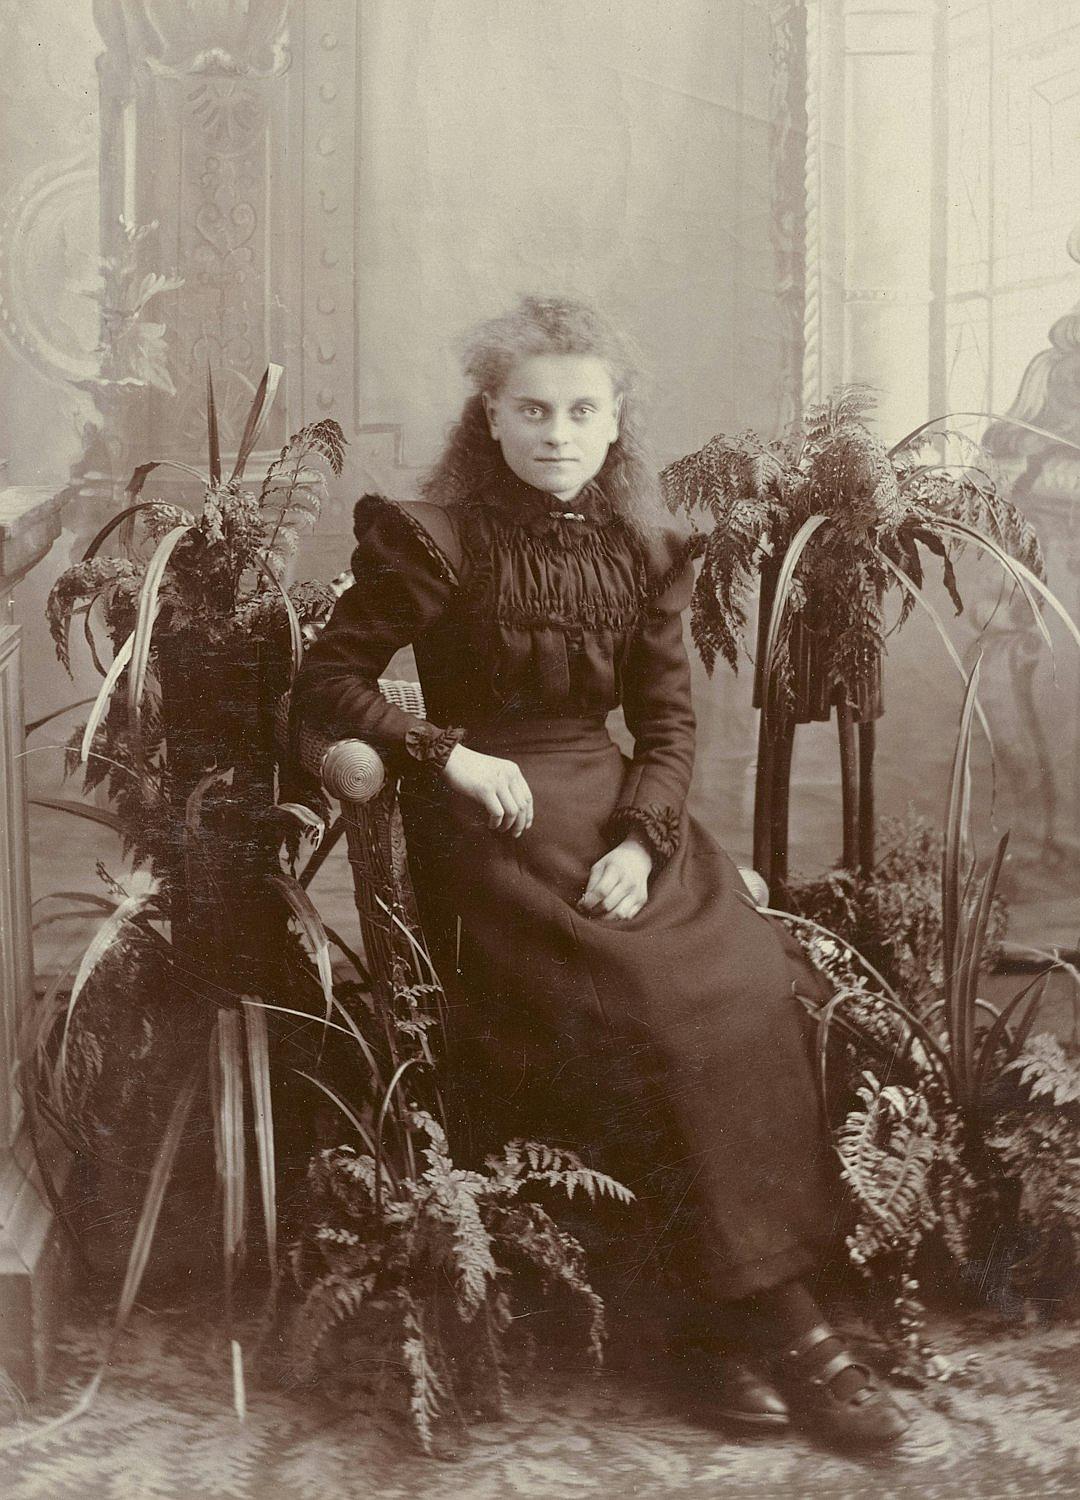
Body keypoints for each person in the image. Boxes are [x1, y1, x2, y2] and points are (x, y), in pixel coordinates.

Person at [290, 295, 909, 1449]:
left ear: (617, 417)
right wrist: (446, 754)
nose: (559, 433)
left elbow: (668, 728)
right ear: (492, 413)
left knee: (748, 985)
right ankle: (791, 1332)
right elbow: (326, 684)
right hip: (491, 827)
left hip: (617, 817)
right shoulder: (434, 536)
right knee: (656, 1009)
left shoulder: (648, 548)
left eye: (583, 410)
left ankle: (716, 1326)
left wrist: (641, 838)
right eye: (533, 410)